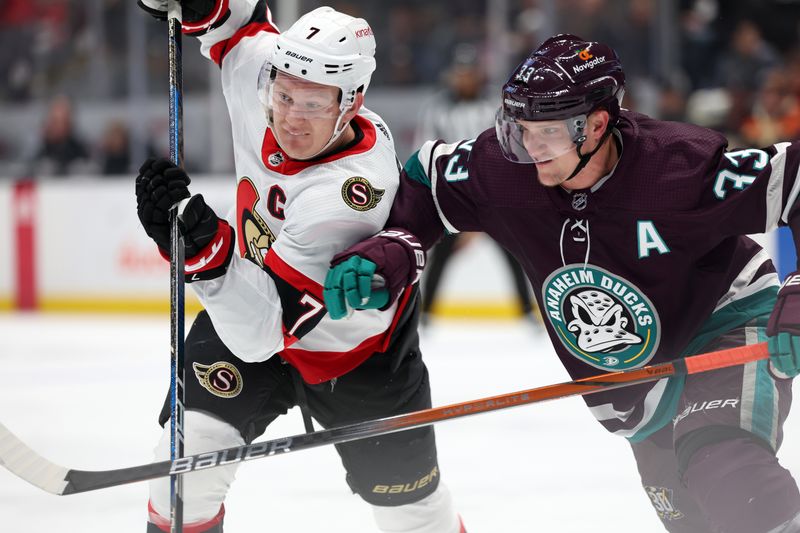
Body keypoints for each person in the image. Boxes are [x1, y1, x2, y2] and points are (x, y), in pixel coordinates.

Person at [324, 34, 800, 533]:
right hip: (635, 383)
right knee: (699, 521)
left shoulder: (677, 168)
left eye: (546, 133)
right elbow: (428, 180)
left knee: (727, 474)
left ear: (596, 125)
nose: (529, 148)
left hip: (722, 327)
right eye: (520, 130)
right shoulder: (504, 169)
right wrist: (399, 242)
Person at [135, 1, 464, 532]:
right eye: (283, 96)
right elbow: (237, 24)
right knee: (182, 478)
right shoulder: (264, 75)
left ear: (351, 102)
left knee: (413, 517)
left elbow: (262, 333)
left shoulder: (348, 197)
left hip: (353, 353)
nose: (289, 117)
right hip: (252, 300)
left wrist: (200, 254)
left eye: (311, 104)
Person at [413, 43, 537, 325]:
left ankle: (527, 310)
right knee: (440, 254)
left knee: (514, 252)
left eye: (470, 72)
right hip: (453, 195)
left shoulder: (493, 107)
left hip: (493, 194)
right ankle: (427, 311)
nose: (465, 78)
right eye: (461, 73)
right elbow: (427, 152)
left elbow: (509, 151)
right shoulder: (436, 109)